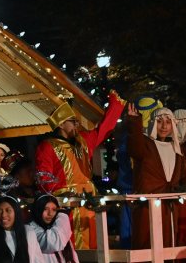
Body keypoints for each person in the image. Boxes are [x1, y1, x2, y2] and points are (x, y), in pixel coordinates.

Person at [35, 92, 124, 249]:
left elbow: (104, 129)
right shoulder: (47, 146)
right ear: (61, 124)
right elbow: (44, 178)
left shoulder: (83, 141)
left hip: (88, 201)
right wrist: (60, 197)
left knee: (93, 240)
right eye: (73, 122)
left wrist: (115, 105)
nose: (77, 125)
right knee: (70, 245)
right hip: (66, 205)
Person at [126, 102, 186, 263]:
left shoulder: (177, 149)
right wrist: (134, 122)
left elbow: (185, 179)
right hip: (148, 209)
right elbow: (134, 147)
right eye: (160, 121)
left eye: (167, 121)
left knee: (169, 247)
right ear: (153, 124)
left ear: (173, 124)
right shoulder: (146, 145)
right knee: (147, 246)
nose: (164, 126)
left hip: (170, 209)